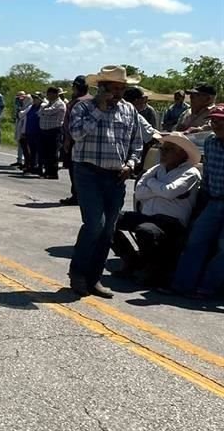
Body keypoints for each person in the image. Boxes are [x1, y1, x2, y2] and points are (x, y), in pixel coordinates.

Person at [67, 65, 144, 298]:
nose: (119, 93)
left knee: (108, 229)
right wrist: (99, 109)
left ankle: (94, 278)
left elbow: (136, 143)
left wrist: (131, 164)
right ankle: (78, 274)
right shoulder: (83, 107)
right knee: (94, 225)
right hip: (88, 172)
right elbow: (77, 134)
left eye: (122, 88)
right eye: (114, 88)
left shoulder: (129, 110)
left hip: (116, 176)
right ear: (101, 88)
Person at [111, 133, 202, 285]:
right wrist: (160, 190)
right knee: (108, 220)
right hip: (149, 216)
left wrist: (152, 185)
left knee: (145, 230)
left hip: (171, 222)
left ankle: (155, 271)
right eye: (162, 148)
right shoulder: (156, 169)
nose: (162, 152)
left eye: (168, 149)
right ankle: (132, 260)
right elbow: (139, 193)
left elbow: (169, 192)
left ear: (181, 153)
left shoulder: (190, 172)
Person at [171, 105, 224, 298]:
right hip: (214, 200)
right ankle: (182, 285)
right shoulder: (210, 142)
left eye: (220, 121)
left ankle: (208, 286)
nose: (216, 124)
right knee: (195, 241)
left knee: (223, 248)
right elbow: (208, 173)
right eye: (214, 121)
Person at [60, 76, 92, 205]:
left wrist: (67, 140)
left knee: (74, 169)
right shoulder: (93, 100)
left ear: (76, 87)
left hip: (75, 140)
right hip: (89, 142)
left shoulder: (76, 102)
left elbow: (69, 124)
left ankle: (77, 195)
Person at [38, 87, 66, 179]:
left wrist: (43, 109)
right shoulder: (49, 103)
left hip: (54, 131)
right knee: (45, 152)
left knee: (53, 152)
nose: (47, 96)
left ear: (55, 94)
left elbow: (49, 111)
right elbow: (39, 113)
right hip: (44, 131)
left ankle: (53, 173)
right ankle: (46, 171)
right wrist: (43, 109)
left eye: (49, 94)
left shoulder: (60, 104)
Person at [24, 92, 44, 174]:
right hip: (30, 131)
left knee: (38, 151)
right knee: (31, 151)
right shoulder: (31, 107)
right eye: (34, 98)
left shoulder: (42, 107)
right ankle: (31, 166)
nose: (34, 100)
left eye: (36, 98)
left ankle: (39, 167)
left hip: (38, 131)